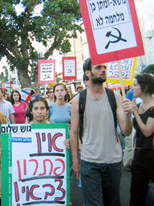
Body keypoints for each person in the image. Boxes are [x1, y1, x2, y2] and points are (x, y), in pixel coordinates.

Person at [70, 58, 133, 206]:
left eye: (104, 67)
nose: (103, 70)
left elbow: (127, 131)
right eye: (98, 68)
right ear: (88, 73)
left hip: (113, 161)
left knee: (113, 203)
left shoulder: (115, 97)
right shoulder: (78, 100)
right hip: (89, 161)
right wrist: (75, 161)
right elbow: (73, 132)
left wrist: (129, 115)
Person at [130, 73, 154, 206]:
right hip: (139, 154)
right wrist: (134, 152)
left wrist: (135, 113)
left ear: (144, 88)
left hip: (151, 155)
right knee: (136, 192)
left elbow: (147, 131)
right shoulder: (138, 106)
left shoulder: (152, 108)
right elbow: (137, 133)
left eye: (135, 85)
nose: (132, 88)